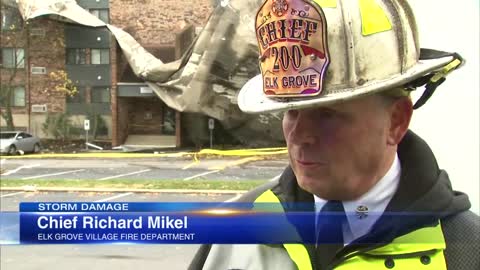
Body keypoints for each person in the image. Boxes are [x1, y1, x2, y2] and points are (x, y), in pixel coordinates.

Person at [189, 0, 479, 269]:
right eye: (291, 111)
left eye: (326, 114)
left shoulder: (466, 251)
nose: (300, 135)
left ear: (396, 121)